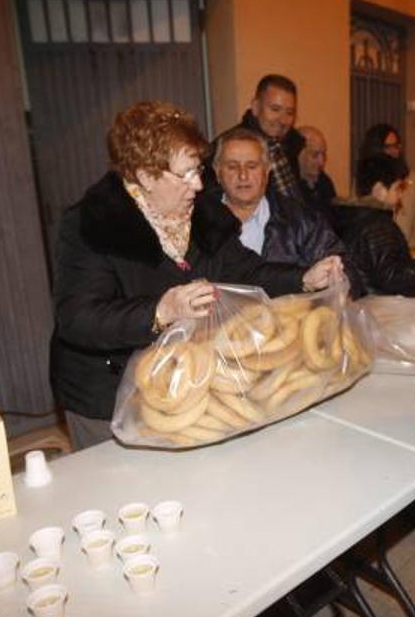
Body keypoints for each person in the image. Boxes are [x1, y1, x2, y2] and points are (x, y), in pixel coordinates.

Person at [50, 101, 341, 451]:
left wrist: (303, 279)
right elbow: (78, 318)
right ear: (145, 174)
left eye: (199, 169)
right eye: (185, 174)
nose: (200, 184)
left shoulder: (202, 214)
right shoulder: (93, 223)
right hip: (104, 391)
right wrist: (161, 311)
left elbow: (246, 269)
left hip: (184, 377)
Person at [209, 128, 362, 296]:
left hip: (291, 319)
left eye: (252, 166)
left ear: (267, 171)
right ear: (217, 172)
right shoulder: (197, 222)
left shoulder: (300, 220)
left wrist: (334, 277)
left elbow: (348, 272)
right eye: (232, 167)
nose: (243, 176)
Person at [332, 154, 415, 295]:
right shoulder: (377, 224)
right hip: (383, 309)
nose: (400, 196)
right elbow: (391, 277)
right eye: (397, 188)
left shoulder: (354, 217)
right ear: (379, 189)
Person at [205, 74, 306, 201]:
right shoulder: (227, 147)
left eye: (289, 113)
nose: (282, 120)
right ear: (255, 107)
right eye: (275, 109)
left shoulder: (292, 144)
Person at [361, 123, 415, 248]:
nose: (393, 151)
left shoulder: (409, 176)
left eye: (396, 146)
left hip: (406, 247)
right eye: (388, 147)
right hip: (377, 249)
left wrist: (413, 246)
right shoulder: (365, 178)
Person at [296, 125, 336, 218]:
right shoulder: (290, 186)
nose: (321, 161)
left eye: (324, 154)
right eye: (315, 155)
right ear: (299, 155)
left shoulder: (325, 181)